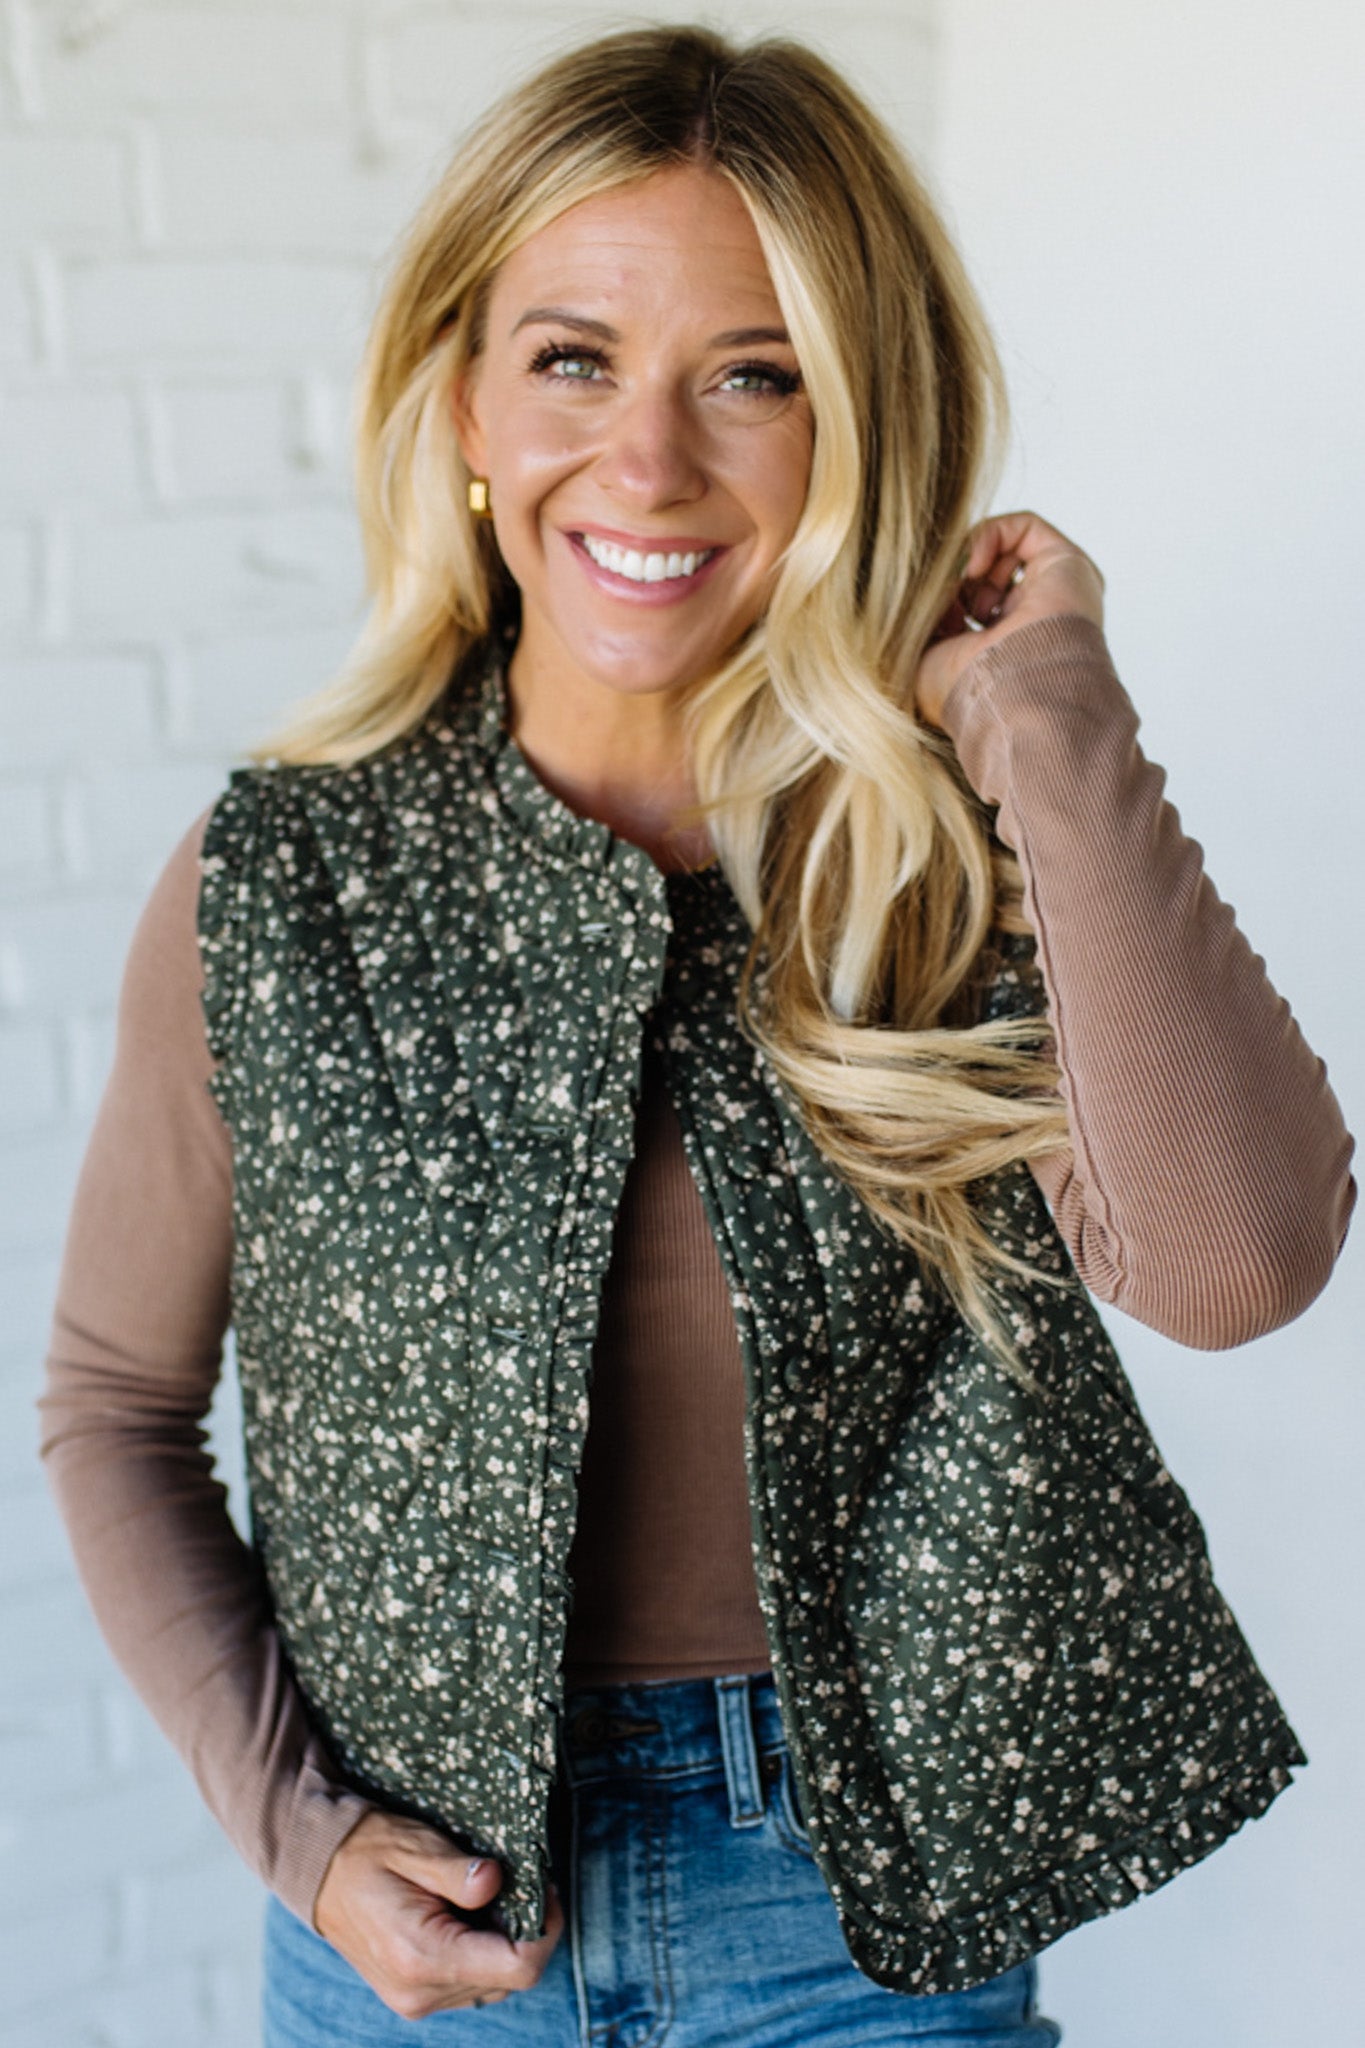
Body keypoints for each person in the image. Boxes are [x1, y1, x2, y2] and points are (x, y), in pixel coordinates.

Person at [38, 24, 1355, 2048]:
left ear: (857, 420)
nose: (645, 464)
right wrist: (297, 1830)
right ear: (461, 397)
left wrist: (1049, 713)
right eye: (572, 358)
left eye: (752, 375)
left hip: (856, 1923)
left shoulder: (950, 850)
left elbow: (1235, 1263)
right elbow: (116, 1400)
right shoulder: (286, 872)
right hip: (417, 1931)